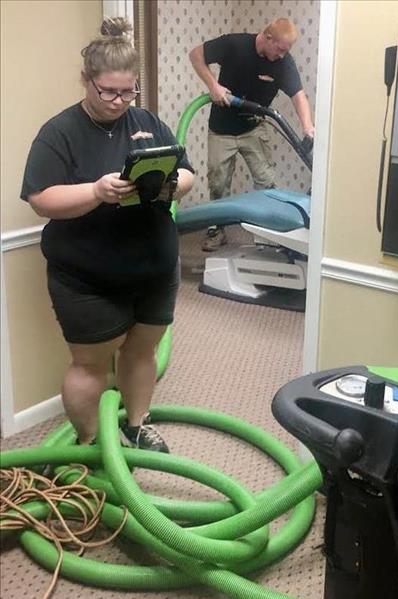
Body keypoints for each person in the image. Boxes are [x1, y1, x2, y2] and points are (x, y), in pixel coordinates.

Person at [21, 17, 195, 452]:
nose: (119, 101)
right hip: (87, 277)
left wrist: (173, 184)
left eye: (127, 91)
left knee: (141, 352)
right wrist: (97, 191)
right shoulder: (59, 132)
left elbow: (187, 171)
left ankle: (136, 425)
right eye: (108, 91)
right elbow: (41, 198)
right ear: (86, 80)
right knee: (90, 364)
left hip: (154, 267)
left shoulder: (147, 120)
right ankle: (93, 442)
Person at [189, 17, 315, 251]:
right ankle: (217, 230)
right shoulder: (234, 44)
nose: (282, 55)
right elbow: (196, 55)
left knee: (267, 181)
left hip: (254, 127)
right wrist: (213, 86)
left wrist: (308, 126)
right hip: (222, 129)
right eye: (279, 49)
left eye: (286, 51)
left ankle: (273, 231)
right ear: (267, 37)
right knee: (218, 182)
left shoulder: (283, 62)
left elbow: (299, 95)